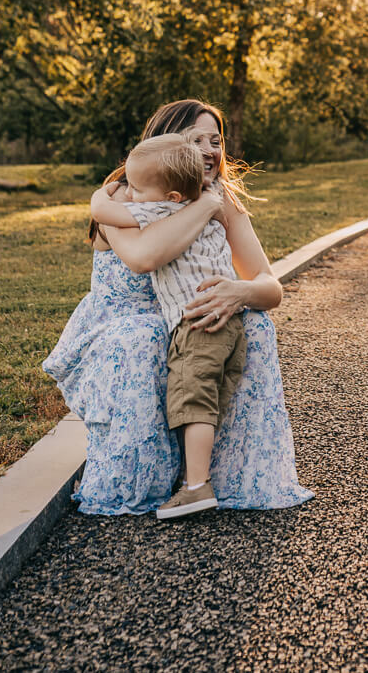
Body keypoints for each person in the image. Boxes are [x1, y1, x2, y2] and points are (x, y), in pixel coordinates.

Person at [43, 99, 313, 514]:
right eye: (195, 141)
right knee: (148, 335)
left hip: (183, 318)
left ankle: (226, 477)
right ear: (165, 146)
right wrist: (204, 206)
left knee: (255, 326)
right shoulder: (122, 196)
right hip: (122, 321)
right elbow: (144, 257)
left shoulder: (223, 202)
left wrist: (237, 293)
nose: (209, 152)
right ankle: (145, 480)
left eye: (216, 141)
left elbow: (269, 285)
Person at [117, 133, 248, 519]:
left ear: (172, 195)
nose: (132, 194)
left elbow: (108, 214)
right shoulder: (199, 205)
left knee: (193, 403)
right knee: (207, 402)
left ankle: (196, 487)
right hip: (227, 326)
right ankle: (196, 480)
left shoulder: (164, 209)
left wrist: (103, 195)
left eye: (137, 189)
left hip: (199, 322)